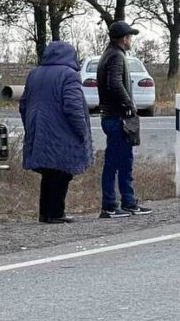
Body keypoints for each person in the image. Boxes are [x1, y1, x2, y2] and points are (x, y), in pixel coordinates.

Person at [19, 41, 93, 224]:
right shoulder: (69, 75)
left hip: (39, 129)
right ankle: (56, 213)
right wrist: (82, 130)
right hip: (61, 131)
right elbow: (73, 107)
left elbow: (23, 104)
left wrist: (30, 126)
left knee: (48, 172)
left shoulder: (34, 74)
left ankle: (45, 213)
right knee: (62, 172)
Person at [97, 20, 153, 218]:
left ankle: (126, 202)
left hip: (110, 116)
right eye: (129, 36)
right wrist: (129, 104)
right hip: (117, 117)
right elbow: (114, 83)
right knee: (118, 162)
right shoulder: (117, 56)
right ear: (124, 38)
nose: (131, 40)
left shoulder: (107, 55)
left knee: (119, 160)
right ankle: (112, 205)